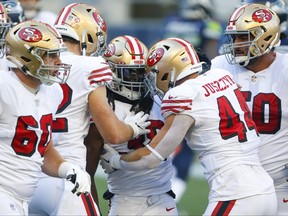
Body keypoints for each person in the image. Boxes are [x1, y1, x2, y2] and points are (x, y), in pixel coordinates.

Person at [100, 37, 277, 215]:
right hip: (266, 190)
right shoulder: (222, 76)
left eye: (155, 72)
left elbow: (150, 158)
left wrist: (115, 161)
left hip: (235, 192)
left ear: (168, 69)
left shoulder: (182, 95)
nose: (152, 79)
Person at [28, 3, 151, 215]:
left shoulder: (36, 63)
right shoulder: (90, 66)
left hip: (29, 176)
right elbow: (113, 134)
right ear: (89, 35)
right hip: (67, 177)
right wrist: (133, 128)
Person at [0, 19, 92, 215]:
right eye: (51, 56)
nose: (59, 62)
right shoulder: (4, 88)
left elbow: (44, 147)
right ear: (28, 57)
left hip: (23, 198)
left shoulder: (52, 93)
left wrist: (67, 168)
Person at [86, 35, 177, 216]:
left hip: (161, 196)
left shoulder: (161, 99)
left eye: (141, 73)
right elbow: (87, 173)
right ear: (111, 72)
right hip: (126, 199)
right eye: (130, 73)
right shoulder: (103, 109)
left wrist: (115, 161)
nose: (137, 79)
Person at [211, 3, 288, 215]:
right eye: (234, 37)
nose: (236, 44)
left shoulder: (285, 69)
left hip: (281, 187)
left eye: (243, 37)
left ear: (265, 37)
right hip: (235, 186)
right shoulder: (219, 68)